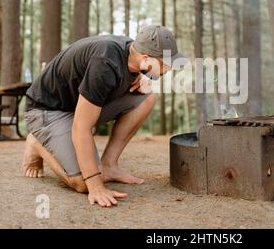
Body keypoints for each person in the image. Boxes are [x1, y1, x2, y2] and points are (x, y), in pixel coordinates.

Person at [22, 25, 184, 208]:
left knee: (147, 97)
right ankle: (36, 143)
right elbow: (81, 128)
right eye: (166, 63)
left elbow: (130, 69)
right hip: (48, 110)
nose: (169, 69)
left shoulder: (132, 53)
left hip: (78, 105)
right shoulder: (104, 63)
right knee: (84, 183)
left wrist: (143, 75)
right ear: (146, 59)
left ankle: (109, 165)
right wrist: (95, 185)